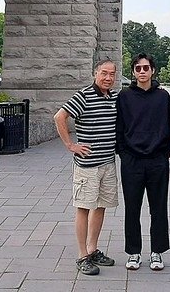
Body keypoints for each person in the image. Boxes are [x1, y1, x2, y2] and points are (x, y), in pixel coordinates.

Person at [54, 59, 119, 276]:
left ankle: (92, 249)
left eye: (112, 74)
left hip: (108, 164)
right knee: (83, 207)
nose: (108, 78)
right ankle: (82, 255)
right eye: (104, 73)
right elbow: (60, 116)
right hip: (88, 166)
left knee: (100, 206)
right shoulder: (83, 95)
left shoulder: (114, 96)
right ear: (95, 74)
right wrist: (70, 145)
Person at [116, 53, 170, 271]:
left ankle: (157, 251)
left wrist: (164, 152)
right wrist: (123, 152)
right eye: (138, 68)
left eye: (145, 68)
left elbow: (167, 125)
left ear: (153, 70)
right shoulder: (125, 96)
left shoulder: (162, 97)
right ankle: (133, 252)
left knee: (158, 208)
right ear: (133, 72)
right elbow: (119, 127)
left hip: (157, 160)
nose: (142, 72)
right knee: (132, 208)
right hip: (132, 161)